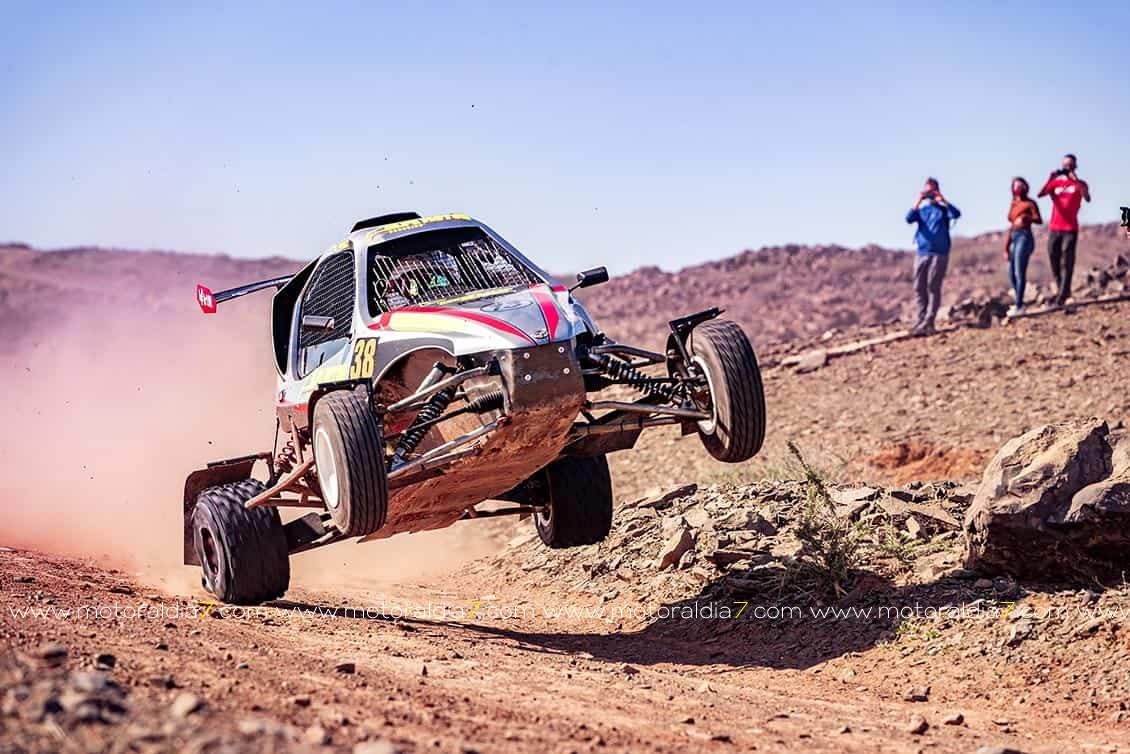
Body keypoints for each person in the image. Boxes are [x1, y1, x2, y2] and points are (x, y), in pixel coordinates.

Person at [905, 178, 961, 335]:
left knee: (933, 286)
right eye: (927, 191)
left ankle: (929, 321)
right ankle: (920, 319)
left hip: (939, 253)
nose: (930, 194)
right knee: (919, 287)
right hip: (922, 252)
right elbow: (908, 218)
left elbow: (956, 214)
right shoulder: (922, 211)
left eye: (932, 190)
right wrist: (918, 200)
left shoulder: (943, 211)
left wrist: (943, 201)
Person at [1037, 153, 1091, 306]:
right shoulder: (1056, 184)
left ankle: (1062, 296)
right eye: (1065, 165)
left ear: (1075, 166)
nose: (1067, 168)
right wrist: (1050, 178)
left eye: (1070, 165)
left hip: (1070, 228)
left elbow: (1087, 198)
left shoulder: (1080, 184)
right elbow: (1040, 194)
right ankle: (1063, 289)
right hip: (1055, 228)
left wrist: (1076, 180)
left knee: (1067, 260)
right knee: (1053, 257)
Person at [1004, 177, 1042, 316]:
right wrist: (1006, 247)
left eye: (1020, 185)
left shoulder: (1030, 203)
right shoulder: (1014, 204)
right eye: (1015, 186)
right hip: (1013, 236)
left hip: (1024, 236)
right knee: (1010, 272)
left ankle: (1019, 305)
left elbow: (1038, 219)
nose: (1018, 188)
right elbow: (1011, 224)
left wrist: (1027, 218)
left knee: (1020, 271)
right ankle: (1019, 300)